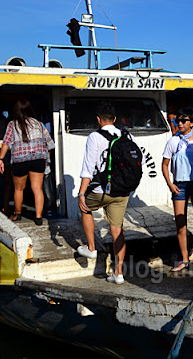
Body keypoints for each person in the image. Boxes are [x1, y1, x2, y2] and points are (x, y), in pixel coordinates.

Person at [76, 103, 137, 285]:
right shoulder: (126, 135)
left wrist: (80, 193)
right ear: (115, 119)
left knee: (85, 208)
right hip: (121, 191)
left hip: (101, 190)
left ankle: (92, 248)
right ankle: (118, 273)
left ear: (98, 119)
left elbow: (88, 168)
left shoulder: (94, 137)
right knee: (117, 230)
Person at [162, 107, 193, 271]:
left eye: (183, 120)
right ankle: (184, 259)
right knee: (180, 224)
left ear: (192, 123)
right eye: (178, 121)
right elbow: (165, 164)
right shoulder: (173, 141)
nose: (179, 123)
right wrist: (170, 183)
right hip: (180, 185)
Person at [0, 99, 55, 225]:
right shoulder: (39, 124)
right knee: (37, 188)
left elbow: (6, 143)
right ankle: (39, 216)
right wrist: (47, 159)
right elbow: (50, 143)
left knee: (18, 189)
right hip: (38, 158)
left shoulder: (12, 125)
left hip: (20, 159)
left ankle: (17, 214)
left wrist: (1, 159)